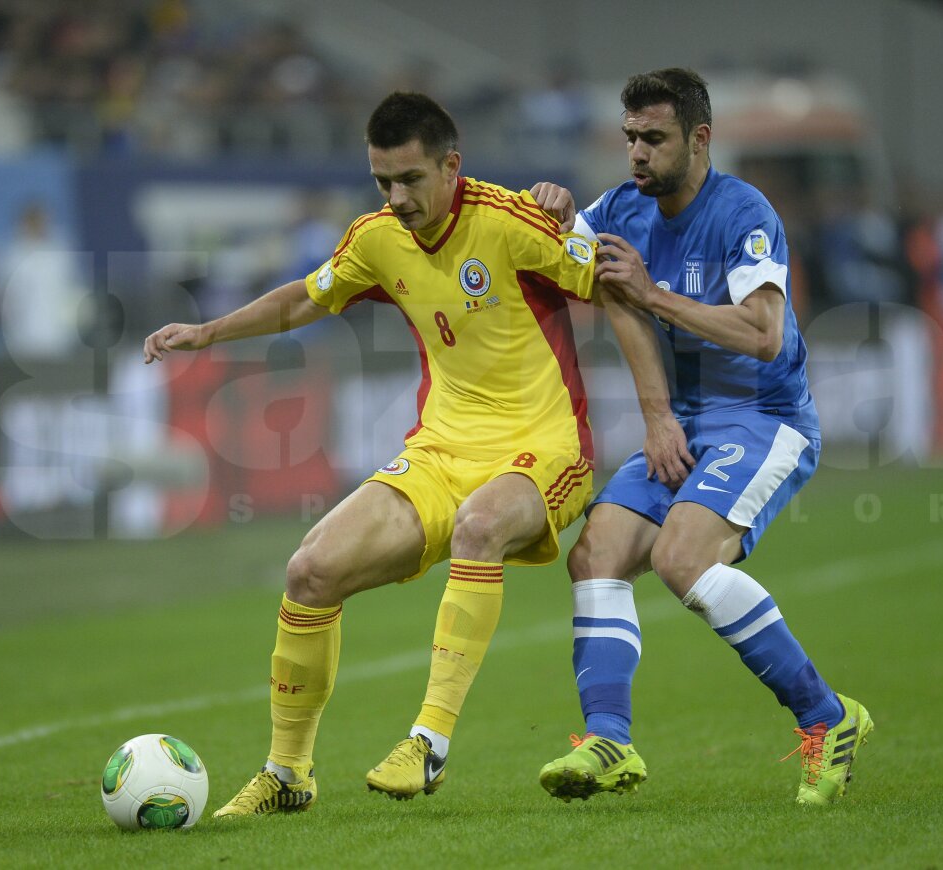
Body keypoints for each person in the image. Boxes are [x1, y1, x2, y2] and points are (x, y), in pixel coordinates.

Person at [143, 91, 602, 814]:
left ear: (452, 166)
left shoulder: (511, 221)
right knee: (311, 570)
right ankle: (288, 774)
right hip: (442, 450)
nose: (396, 197)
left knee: (481, 526)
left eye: (410, 179)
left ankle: (430, 741)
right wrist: (207, 333)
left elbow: (611, 281)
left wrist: (575, 222)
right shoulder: (377, 237)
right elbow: (303, 302)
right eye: (382, 181)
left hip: (546, 448)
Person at [529, 67, 873, 806]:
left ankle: (829, 716)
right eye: (630, 139)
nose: (637, 154)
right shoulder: (622, 207)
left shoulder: (743, 212)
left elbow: (762, 332)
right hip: (684, 424)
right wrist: (547, 206)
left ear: (700, 138)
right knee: (596, 552)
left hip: (764, 417)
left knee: (682, 558)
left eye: (654, 138)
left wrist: (654, 293)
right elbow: (549, 246)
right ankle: (609, 741)